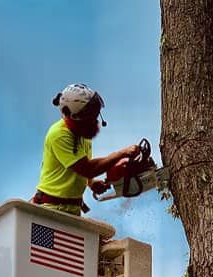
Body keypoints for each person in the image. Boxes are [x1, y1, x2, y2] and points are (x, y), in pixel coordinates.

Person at [32, 83, 140, 215]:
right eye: (89, 116)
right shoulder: (59, 135)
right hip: (51, 208)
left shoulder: (83, 131)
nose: (94, 120)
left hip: (72, 209)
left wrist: (91, 183)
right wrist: (121, 154)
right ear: (73, 115)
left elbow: (80, 164)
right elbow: (88, 168)